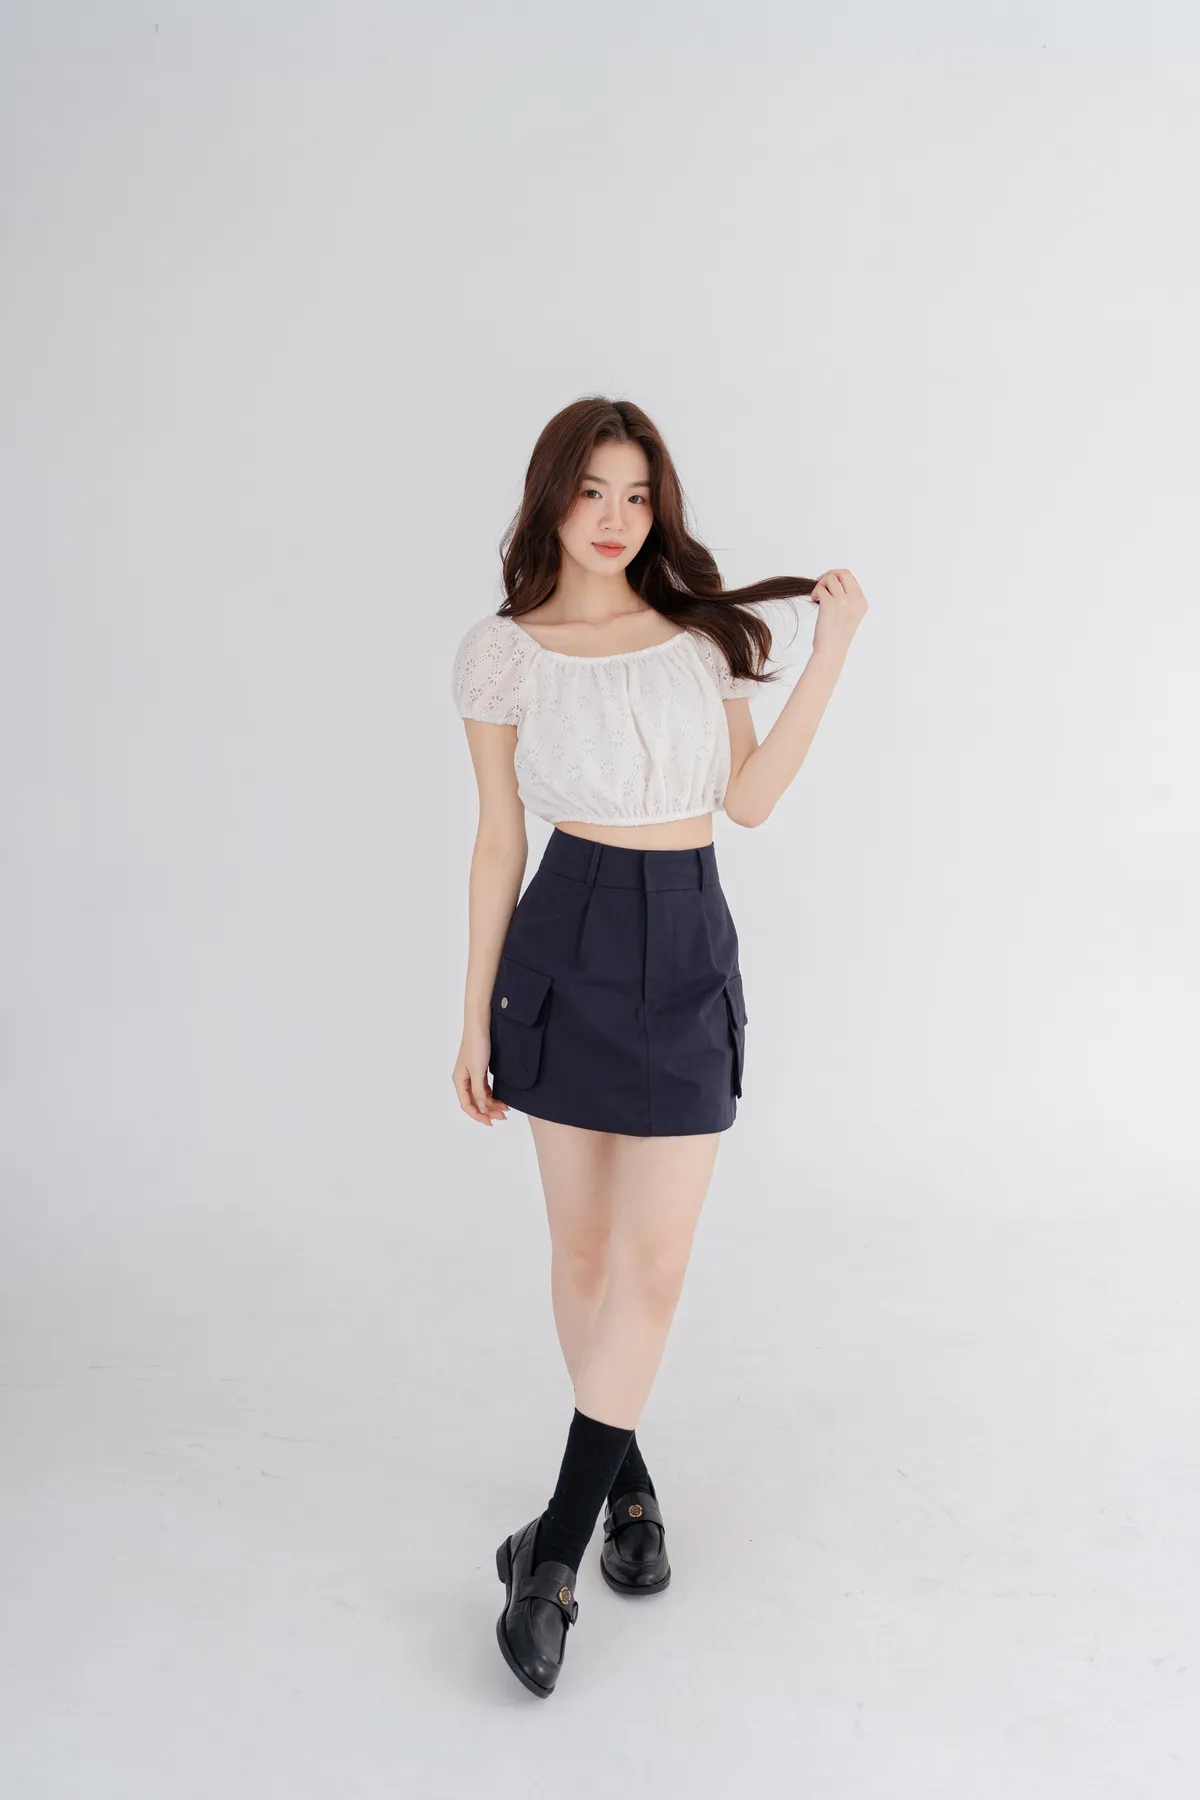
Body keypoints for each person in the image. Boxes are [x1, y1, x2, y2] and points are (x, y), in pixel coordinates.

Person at [450, 395, 867, 1698]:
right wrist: (471, 1015)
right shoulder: (504, 653)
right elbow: (499, 842)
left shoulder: (703, 639)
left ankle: (551, 1553)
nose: (615, 518)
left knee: (657, 1261)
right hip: (563, 937)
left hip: (686, 940)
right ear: (551, 499)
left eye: (636, 494)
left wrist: (831, 654)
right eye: (592, 492)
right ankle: (626, 1487)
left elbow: (747, 801)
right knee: (584, 1254)